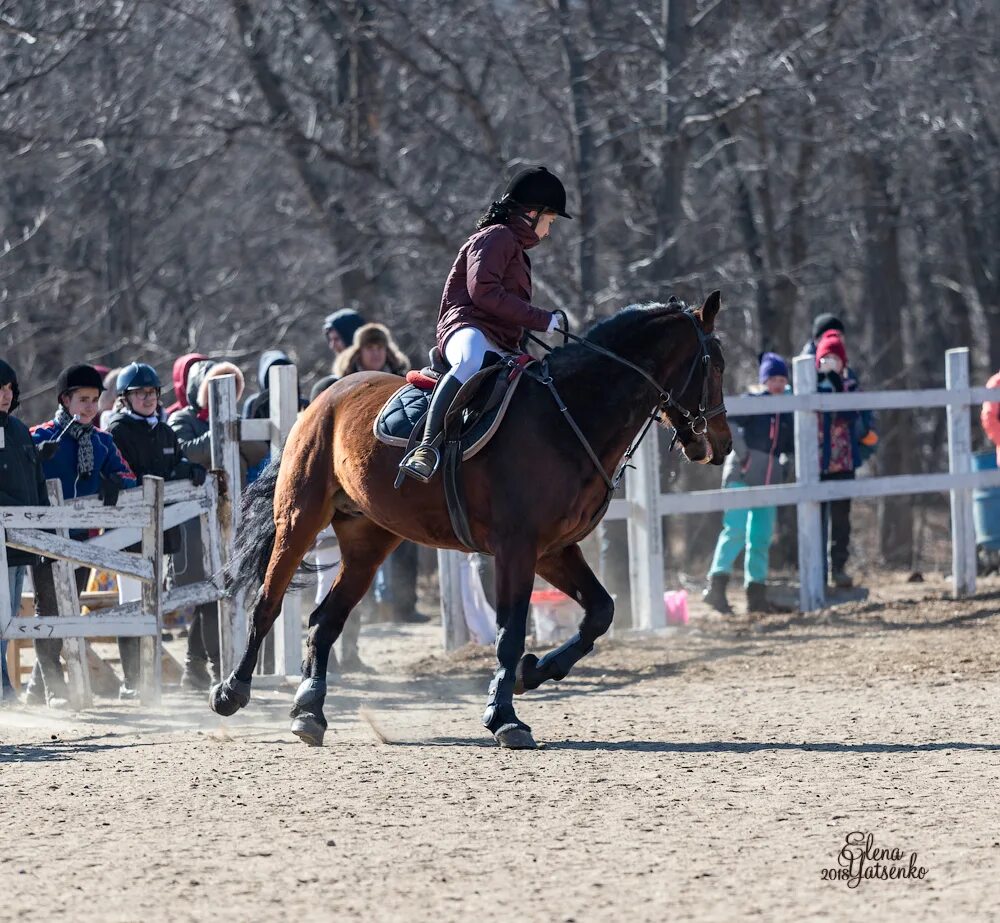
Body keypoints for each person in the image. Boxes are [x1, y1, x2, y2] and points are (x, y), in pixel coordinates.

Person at [398, 165, 569, 482]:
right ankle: (425, 448)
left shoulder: (516, 250)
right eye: (550, 221)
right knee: (470, 359)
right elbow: (484, 293)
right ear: (532, 213)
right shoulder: (496, 237)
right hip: (466, 326)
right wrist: (542, 318)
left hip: (499, 339)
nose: (548, 231)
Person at [26, 364, 137, 705]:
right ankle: (53, 689)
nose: (90, 407)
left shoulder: (102, 442)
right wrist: (35, 461)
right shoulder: (41, 437)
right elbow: (17, 480)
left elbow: (129, 478)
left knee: (69, 611)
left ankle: (34, 690)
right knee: (50, 612)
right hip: (44, 540)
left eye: (94, 400)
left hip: (86, 542)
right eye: (83, 400)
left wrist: (116, 480)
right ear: (65, 400)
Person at [106, 363, 207, 698]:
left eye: (152, 392)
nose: (148, 398)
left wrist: (188, 469)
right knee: (131, 602)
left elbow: (173, 461)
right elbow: (130, 473)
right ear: (126, 398)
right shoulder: (118, 430)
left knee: (153, 602)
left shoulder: (163, 430)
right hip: (128, 533)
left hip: (161, 530)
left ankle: (148, 674)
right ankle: (132, 680)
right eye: (140, 393)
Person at [168, 359, 267, 688]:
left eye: (230, 387)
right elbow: (184, 453)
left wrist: (235, 428)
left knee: (225, 591)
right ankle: (211, 666)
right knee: (208, 594)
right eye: (215, 387)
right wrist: (221, 431)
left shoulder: (235, 420)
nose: (223, 394)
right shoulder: (182, 419)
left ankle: (199, 667)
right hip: (194, 521)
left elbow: (257, 451)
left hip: (233, 517)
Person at [703, 353, 795, 614]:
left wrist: (785, 465)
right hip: (740, 477)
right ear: (764, 381)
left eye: (782, 379)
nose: (778, 384)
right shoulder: (752, 402)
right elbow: (728, 420)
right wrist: (743, 456)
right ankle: (716, 587)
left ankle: (756, 595)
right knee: (735, 531)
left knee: (761, 537)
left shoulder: (788, 409)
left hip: (769, 481)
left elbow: (789, 444)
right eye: (773, 379)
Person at [1, 360, 49, 705]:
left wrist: (42, 525)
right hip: (2, 537)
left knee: (10, 614)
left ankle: (3, 686)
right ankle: (3, 688)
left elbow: (37, 483)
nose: (5, 395)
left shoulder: (19, 429)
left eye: (8, 388)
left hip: (21, 541)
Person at [814, 331, 876, 588]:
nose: (829, 363)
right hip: (817, 464)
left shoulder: (851, 388)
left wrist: (839, 391)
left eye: (834, 359)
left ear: (843, 364)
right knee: (816, 519)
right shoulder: (811, 387)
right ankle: (816, 569)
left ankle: (838, 567)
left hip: (844, 462)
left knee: (841, 520)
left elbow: (860, 423)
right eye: (824, 359)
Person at [332, 323, 411, 378]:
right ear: (359, 352)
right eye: (369, 348)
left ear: (387, 351)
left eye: (379, 347)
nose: (375, 353)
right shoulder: (342, 384)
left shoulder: (402, 382)